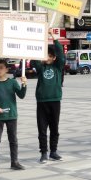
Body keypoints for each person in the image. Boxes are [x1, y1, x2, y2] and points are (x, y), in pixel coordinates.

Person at [0, 59, 27, 173]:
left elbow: (21, 95)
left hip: (12, 115)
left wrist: (24, 84)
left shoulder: (12, 82)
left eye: (1, 68)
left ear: (7, 69)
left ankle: (15, 162)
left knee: (13, 140)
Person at [31, 29, 66, 163]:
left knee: (54, 128)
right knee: (42, 128)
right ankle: (44, 152)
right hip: (42, 101)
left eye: (50, 56)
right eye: (46, 55)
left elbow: (61, 54)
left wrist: (53, 37)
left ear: (53, 57)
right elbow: (34, 60)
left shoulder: (58, 67)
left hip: (55, 100)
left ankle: (53, 151)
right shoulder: (41, 68)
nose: (48, 57)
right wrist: (37, 44)